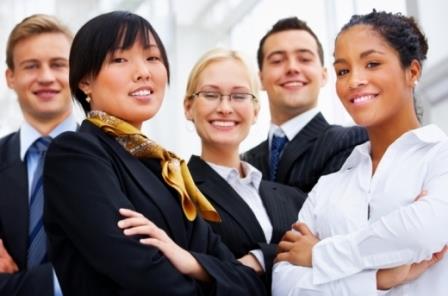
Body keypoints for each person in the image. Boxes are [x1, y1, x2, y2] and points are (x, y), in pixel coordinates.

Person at [42, 11, 265, 296]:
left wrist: (191, 263)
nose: (143, 72)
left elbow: (246, 280)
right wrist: (212, 275)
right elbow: (139, 271)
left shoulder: (163, 167)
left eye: (152, 58)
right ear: (85, 81)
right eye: (120, 59)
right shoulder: (76, 154)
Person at [272, 10, 448, 295]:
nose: (354, 80)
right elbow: (284, 284)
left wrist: (319, 255)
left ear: (412, 71)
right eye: (343, 70)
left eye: (372, 63)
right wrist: (378, 280)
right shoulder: (329, 185)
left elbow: (422, 233)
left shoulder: (440, 157)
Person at [174, 48, 305, 294]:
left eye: (239, 96)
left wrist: (257, 258)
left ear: (256, 111)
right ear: (188, 107)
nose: (225, 107)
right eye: (211, 94)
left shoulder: (294, 198)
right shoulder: (176, 190)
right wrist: (276, 255)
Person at [242, 17, 368, 193]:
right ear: (260, 79)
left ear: (324, 75)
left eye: (304, 59)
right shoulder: (243, 164)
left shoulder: (353, 142)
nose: (292, 68)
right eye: (277, 61)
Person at [0, 14, 75, 296]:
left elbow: (130, 271)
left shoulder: (118, 159)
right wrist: (82, 276)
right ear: (11, 77)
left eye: (58, 65)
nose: (46, 77)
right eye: (31, 66)